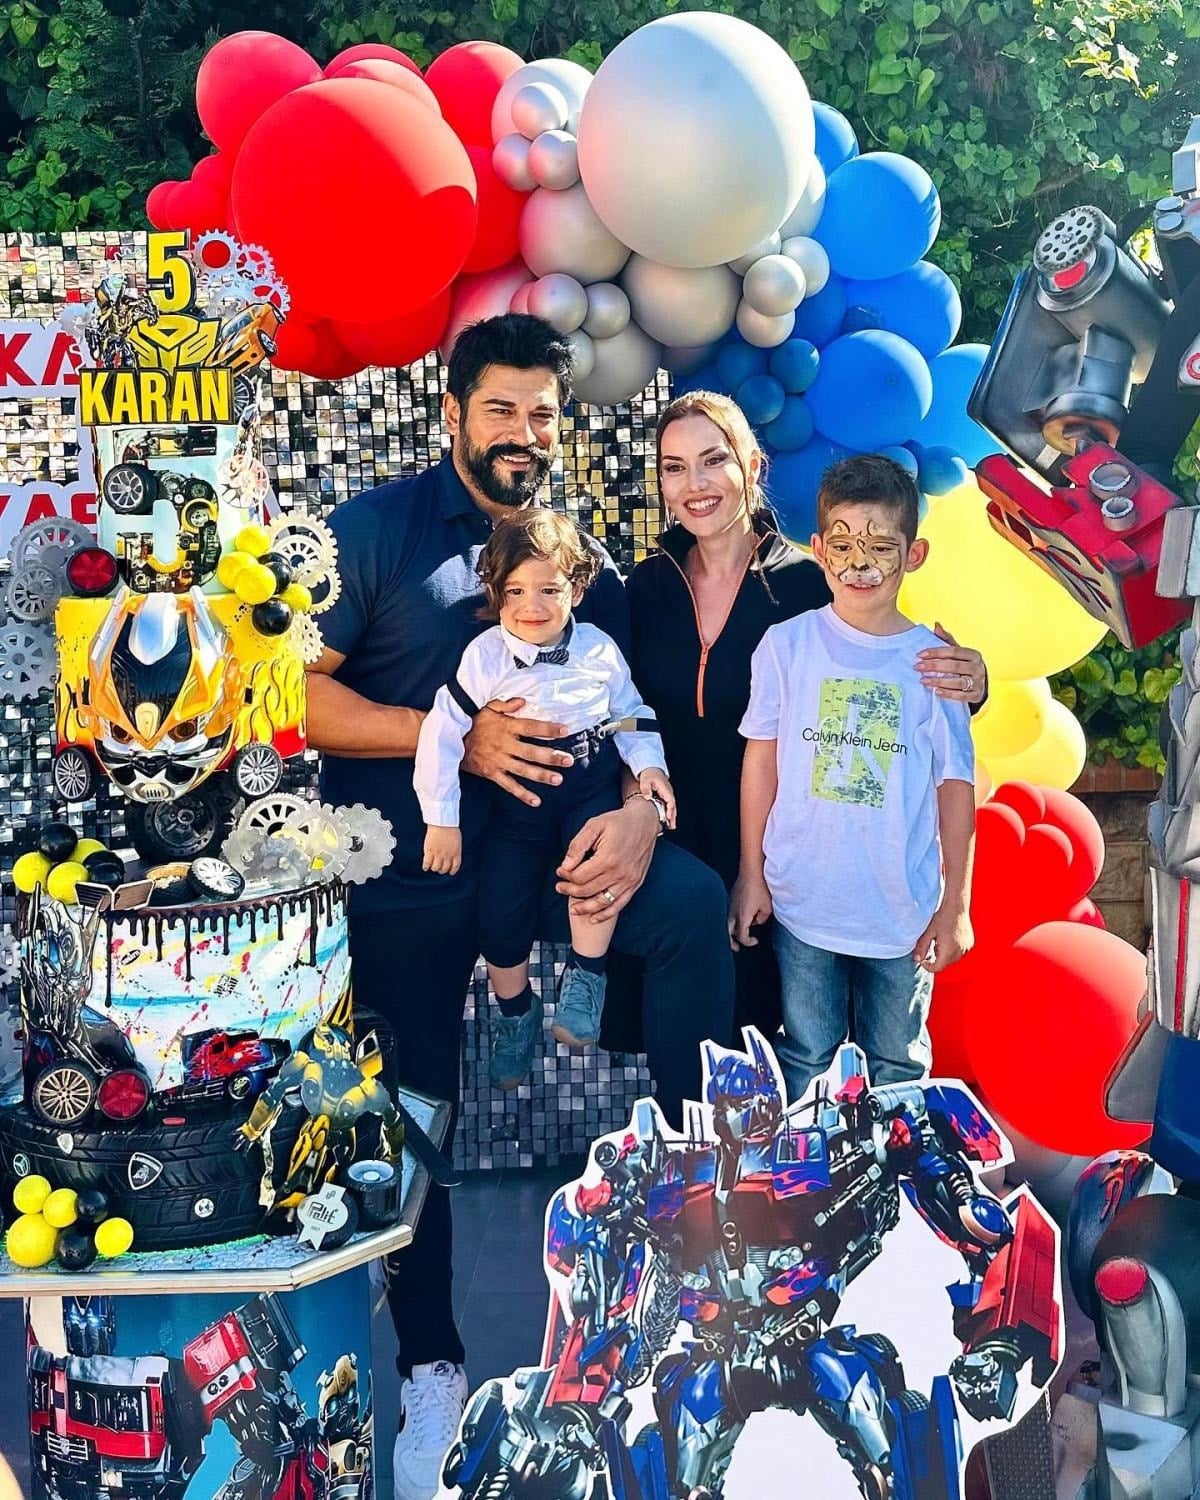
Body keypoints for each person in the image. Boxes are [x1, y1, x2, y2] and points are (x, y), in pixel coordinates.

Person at [305, 315, 733, 1500]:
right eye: (501, 409)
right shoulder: (374, 532)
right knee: (416, 1107)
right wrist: (454, 738)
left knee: (691, 909)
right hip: (415, 869)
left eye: (543, 413)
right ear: (453, 413)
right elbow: (294, 698)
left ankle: (695, 1270)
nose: (524, 433)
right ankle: (430, 1364)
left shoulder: (573, 555)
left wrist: (643, 813)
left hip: (556, 855)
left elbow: (629, 710)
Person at [625, 391, 988, 1036]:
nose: (696, 484)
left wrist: (972, 684)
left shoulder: (807, 584)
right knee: (677, 1042)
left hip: (779, 862)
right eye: (674, 467)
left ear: (751, 465)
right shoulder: (645, 587)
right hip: (672, 848)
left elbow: (888, 666)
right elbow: (612, 703)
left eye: (713, 460)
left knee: (786, 1044)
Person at [731, 453, 977, 1103]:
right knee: (806, 1056)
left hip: (901, 914)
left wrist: (956, 905)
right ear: (818, 550)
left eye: (880, 547)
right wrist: (752, 873)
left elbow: (956, 785)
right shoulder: (785, 647)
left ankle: (895, 1170)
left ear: (914, 554)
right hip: (802, 904)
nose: (859, 564)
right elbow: (760, 763)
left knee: (898, 1066)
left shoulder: (936, 666)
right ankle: (805, 1168)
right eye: (842, 546)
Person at [415, 508, 674, 1088]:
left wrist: (649, 768)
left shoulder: (599, 649)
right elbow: (442, 731)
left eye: (549, 590)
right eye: (515, 591)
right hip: (518, 804)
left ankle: (587, 978)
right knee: (497, 908)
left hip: (588, 783)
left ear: (576, 590)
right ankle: (515, 1011)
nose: (531, 605)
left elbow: (630, 714)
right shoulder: (485, 656)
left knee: (595, 873)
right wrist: (441, 820)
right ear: (494, 592)